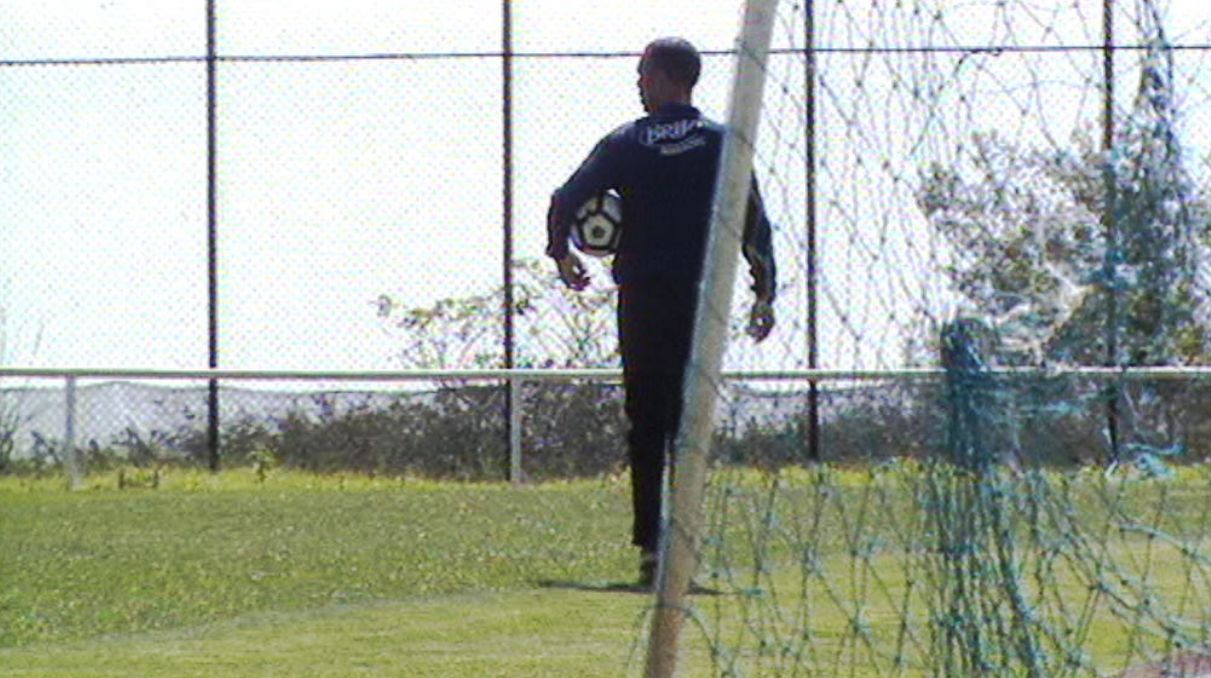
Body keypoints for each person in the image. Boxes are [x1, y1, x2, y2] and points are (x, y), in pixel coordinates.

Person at [545, 37, 777, 587]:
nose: (638, 83)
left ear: (669, 78)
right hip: (705, 300)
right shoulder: (722, 141)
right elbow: (753, 219)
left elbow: (565, 197)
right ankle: (683, 550)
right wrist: (765, 290)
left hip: (644, 299)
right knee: (691, 421)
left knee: (647, 421)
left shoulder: (627, 142)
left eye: (644, 73)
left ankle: (653, 549)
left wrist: (562, 254)